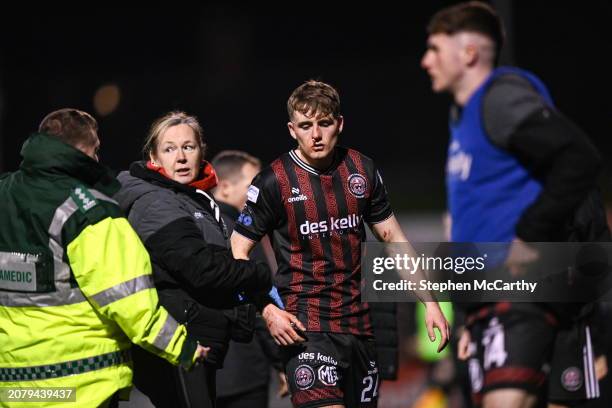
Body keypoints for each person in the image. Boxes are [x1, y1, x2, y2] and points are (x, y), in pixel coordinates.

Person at [421, 2, 607, 407]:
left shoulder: (500, 98)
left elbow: (579, 159)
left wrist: (531, 233)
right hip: (488, 298)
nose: (425, 61)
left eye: (435, 49)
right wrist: (467, 315)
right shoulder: (464, 117)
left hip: (518, 289)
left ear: (468, 52)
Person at [230, 80, 450, 408]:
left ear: (340, 124)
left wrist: (428, 302)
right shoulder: (273, 182)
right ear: (292, 130)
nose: (315, 134)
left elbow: (394, 239)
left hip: (360, 327)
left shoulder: (362, 171)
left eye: (324, 123)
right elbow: (237, 250)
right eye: (305, 126)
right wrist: (268, 309)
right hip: (306, 328)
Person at [0, 108, 207, 408]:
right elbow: (129, 301)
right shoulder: (90, 212)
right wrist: (183, 348)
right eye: (95, 149)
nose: (98, 159)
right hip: (77, 384)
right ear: (84, 149)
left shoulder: (4, 192)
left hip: (14, 386)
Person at [115, 111, 273, 407]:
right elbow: (202, 269)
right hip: (180, 340)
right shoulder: (155, 202)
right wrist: (259, 274)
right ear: (154, 156)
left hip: (201, 341)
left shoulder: (192, 199)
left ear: (202, 151)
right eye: (170, 149)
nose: (181, 157)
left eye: (188, 147)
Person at [212, 150, 288, 408]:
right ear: (224, 187)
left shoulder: (196, 227)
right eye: (252, 185)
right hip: (244, 370)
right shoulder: (241, 234)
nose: (261, 193)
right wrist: (282, 361)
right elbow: (260, 302)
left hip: (207, 369)